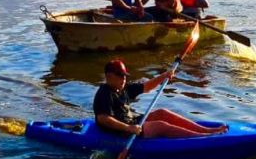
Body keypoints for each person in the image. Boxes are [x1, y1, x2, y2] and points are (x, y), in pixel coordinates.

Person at [93, 58, 226, 138]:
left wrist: (164, 76)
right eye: (120, 76)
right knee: (160, 126)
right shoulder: (104, 93)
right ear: (109, 76)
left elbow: (147, 87)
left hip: (132, 122)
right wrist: (128, 128)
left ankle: (206, 130)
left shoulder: (123, 88)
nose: (124, 79)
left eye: (124, 76)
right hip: (120, 131)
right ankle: (201, 137)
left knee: (162, 113)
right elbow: (103, 119)